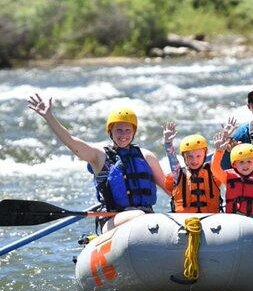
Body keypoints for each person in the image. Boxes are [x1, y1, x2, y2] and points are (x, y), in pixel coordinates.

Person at [28, 93, 167, 232]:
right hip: (113, 220)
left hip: (147, 219)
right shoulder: (99, 156)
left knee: (144, 216)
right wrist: (49, 117)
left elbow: (169, 188)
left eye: (127, 130)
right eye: (119, 130)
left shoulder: (147, 156)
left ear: (133, 132)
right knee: (139, 215)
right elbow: (71, 142)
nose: (123, 135)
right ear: (110, 131)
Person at [163, 121, 222, 213]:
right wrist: (168, 143)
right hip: (184, 219)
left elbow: (218, 160)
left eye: (198, 156)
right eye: (190, 156)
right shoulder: (178, 174)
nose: (194, 160)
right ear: (184, 157)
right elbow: (172, 159)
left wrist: (220, 148)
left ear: (205, 155)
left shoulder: (213, 171)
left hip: (211, 219)